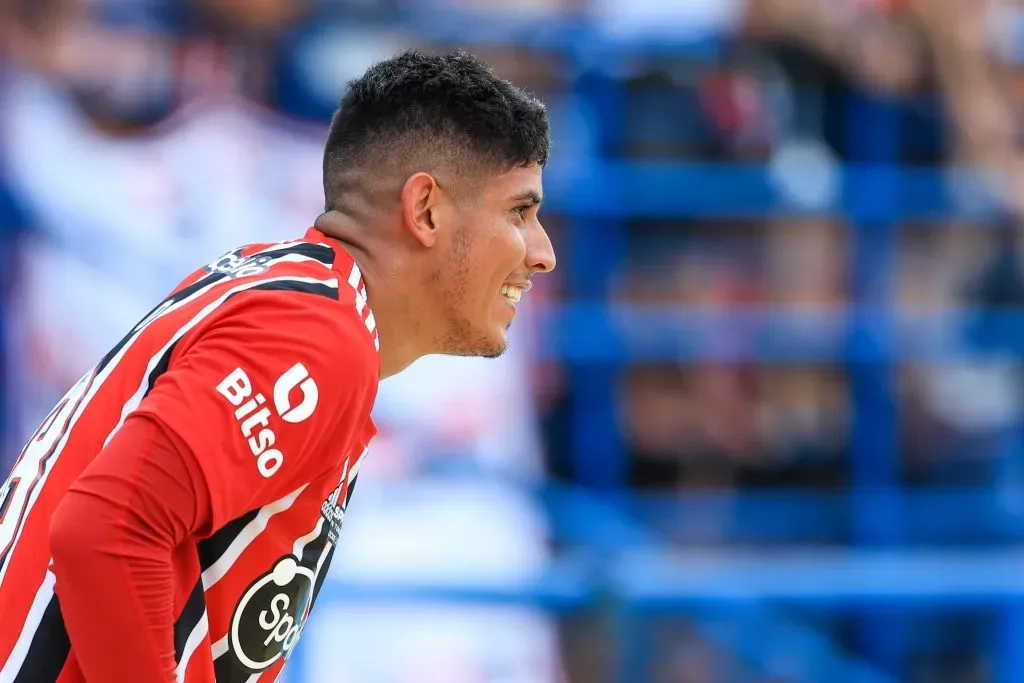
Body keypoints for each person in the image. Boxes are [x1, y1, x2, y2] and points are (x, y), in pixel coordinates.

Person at [0, 49, 556, 683]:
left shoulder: (300, 298)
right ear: (425, 210)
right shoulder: (319, 337)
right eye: (520, 211)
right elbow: (107, 527)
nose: (543, 255)